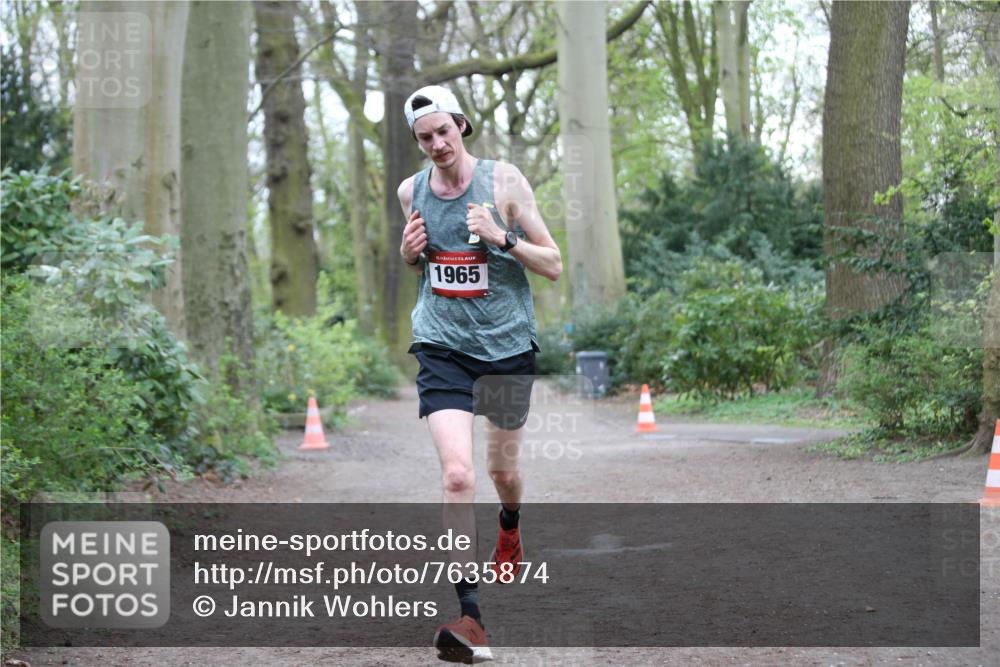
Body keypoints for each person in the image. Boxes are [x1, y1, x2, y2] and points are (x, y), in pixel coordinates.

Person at [397, 84, 562, 663]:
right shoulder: (411, 191)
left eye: (444, 131)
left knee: (501, 471)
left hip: (506, 346)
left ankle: (510, 524)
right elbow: (421, 262)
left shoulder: (505, 182)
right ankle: (471, 617)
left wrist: (502, 237)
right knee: (458, 475)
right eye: (425, 137)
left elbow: (553, 264)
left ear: (461, 125)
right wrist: (409, 254)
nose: (437, 144)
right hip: (442, 344)